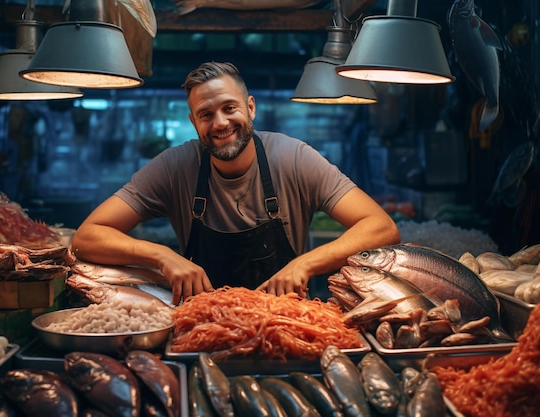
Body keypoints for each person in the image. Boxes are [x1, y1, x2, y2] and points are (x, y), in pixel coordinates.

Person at [71, 61, 400, 305]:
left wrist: (305, 263)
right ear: (193, 121)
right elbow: (87, 237)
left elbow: (381, 228)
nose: (220, 123)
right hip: (199, 325)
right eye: (206, 114)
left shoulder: (294, 158)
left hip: (285, 322)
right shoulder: (174, 167)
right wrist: (162, 256)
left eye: (230, 108)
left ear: (250, 107)